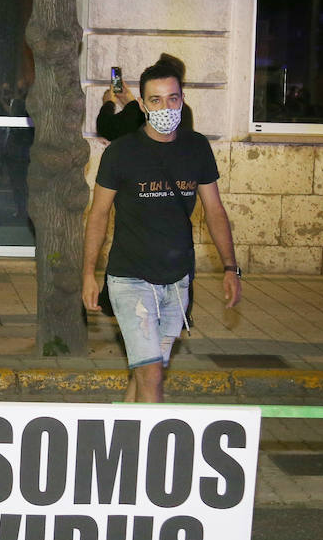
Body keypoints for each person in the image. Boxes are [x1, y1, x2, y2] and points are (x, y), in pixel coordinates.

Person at [81, 56, 242, 403]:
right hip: (130, 279)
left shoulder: (196, 147)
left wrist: (230, 267)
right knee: (152, 375)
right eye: (155, 100)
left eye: (172, 98)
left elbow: (214, 210)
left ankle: (121, 443)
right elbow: (98, 215)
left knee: (144, 374)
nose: (165, 107)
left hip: (177, 280)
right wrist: (88, 273)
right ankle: (149, 457)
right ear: (142, 104)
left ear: (182, 100)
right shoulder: (122, 153)